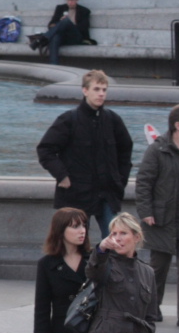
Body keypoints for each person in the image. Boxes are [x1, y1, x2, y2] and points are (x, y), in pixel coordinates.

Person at [36, 69, 133, 238]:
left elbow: (126, 151)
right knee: (75, 244)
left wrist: (120, 181)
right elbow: (45, 149)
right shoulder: (68, 119)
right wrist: (62, 176)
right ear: (85, 90)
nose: (101, 94)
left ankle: (108, 265)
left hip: (107, 194)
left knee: (114, 242)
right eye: (96, 89)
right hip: (76, 194)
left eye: (104, 90)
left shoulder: (113, 120)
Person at [135, 104, 179, 330]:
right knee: (157, 268)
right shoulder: (157, 150)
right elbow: (144, 182)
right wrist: (146, 212)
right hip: (161, 220)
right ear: (178, 125)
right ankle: (153, 308)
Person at [41, 0, 95, 64]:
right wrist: (60, 22)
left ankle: (43, 39)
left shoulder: (84, 11)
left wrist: (69, 24)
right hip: (63, 37)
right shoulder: (60, 8)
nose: (70, 2)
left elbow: (84, 29)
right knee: (56, 37)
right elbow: (50, 25)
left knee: (66, 21)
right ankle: (54, 66)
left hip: (76, 36)